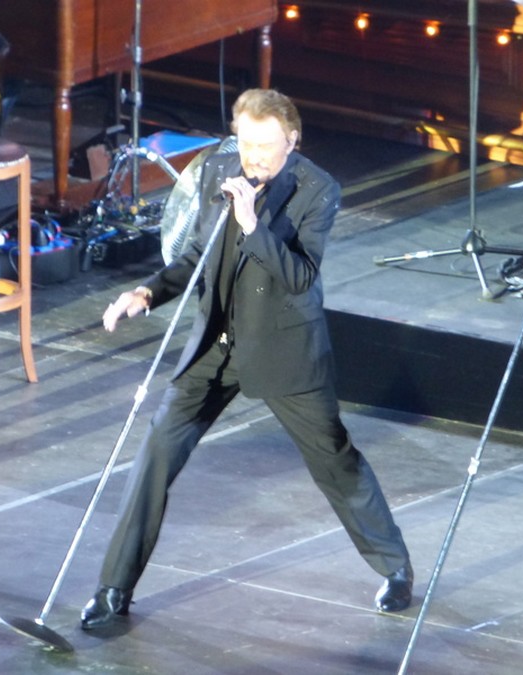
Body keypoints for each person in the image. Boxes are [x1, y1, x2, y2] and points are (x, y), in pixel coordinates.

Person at [80, 88, 413, 629]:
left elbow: (301, 276)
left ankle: (395, 568)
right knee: (155, 455)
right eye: (245, 142)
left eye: (266, 145)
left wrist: (254, 224)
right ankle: (114, 588)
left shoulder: (316, 189)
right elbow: (197, 254)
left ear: (292, 140)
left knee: (334, 460)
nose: (253, 156)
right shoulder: (218, 170)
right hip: (216, 344)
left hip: (283, 350)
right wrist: (147, 293)